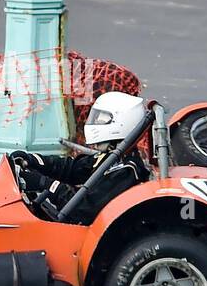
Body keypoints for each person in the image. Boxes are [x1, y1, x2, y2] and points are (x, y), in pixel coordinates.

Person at [9, 91, 151, 224]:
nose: (95, 123)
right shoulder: (111, 157)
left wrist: (44, 184)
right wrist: (34, 161)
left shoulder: (126, 171)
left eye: (101, 120)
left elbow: (83, 208)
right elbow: (73, 169)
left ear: (122, 123)